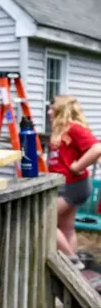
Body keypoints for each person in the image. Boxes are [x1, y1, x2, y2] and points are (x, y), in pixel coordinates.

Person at [47, 95, 101, 270]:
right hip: (68, 185)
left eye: (52, 107)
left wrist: (78, 165)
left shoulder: (74, 128)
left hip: (72, 185)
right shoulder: (61, 130)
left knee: (45, 220)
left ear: (61, 110)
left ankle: (71, 260)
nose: (48, 111)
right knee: (66, 227)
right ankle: (72, 266)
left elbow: (97, 148)